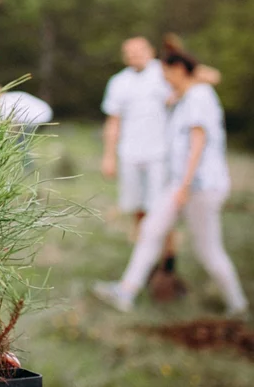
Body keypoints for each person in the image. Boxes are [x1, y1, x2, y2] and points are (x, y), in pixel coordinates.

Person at [92, 49, 248, 318]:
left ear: (178, 70)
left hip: (200, 187)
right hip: (180, 185)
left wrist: (185, 187)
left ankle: (238, 304)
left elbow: (198, 143)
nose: (164, 80)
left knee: (208, 249)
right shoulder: (186, 96)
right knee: (151, 230)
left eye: (166, 73)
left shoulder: (200, 96)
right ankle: (125, 292)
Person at [99, 36, 219, 295]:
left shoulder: (165, 72)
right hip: (130, 153)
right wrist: (109, 155)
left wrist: (183, 57)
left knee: (161, 210)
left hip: (160, 155)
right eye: (129, 52)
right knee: (138, 209)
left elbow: (209, 77)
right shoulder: (118, 82)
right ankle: (148, 263)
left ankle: (168, 263)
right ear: (124, 56)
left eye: (140, 51)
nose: (135, 56)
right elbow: (113, 121)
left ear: (149, 51)